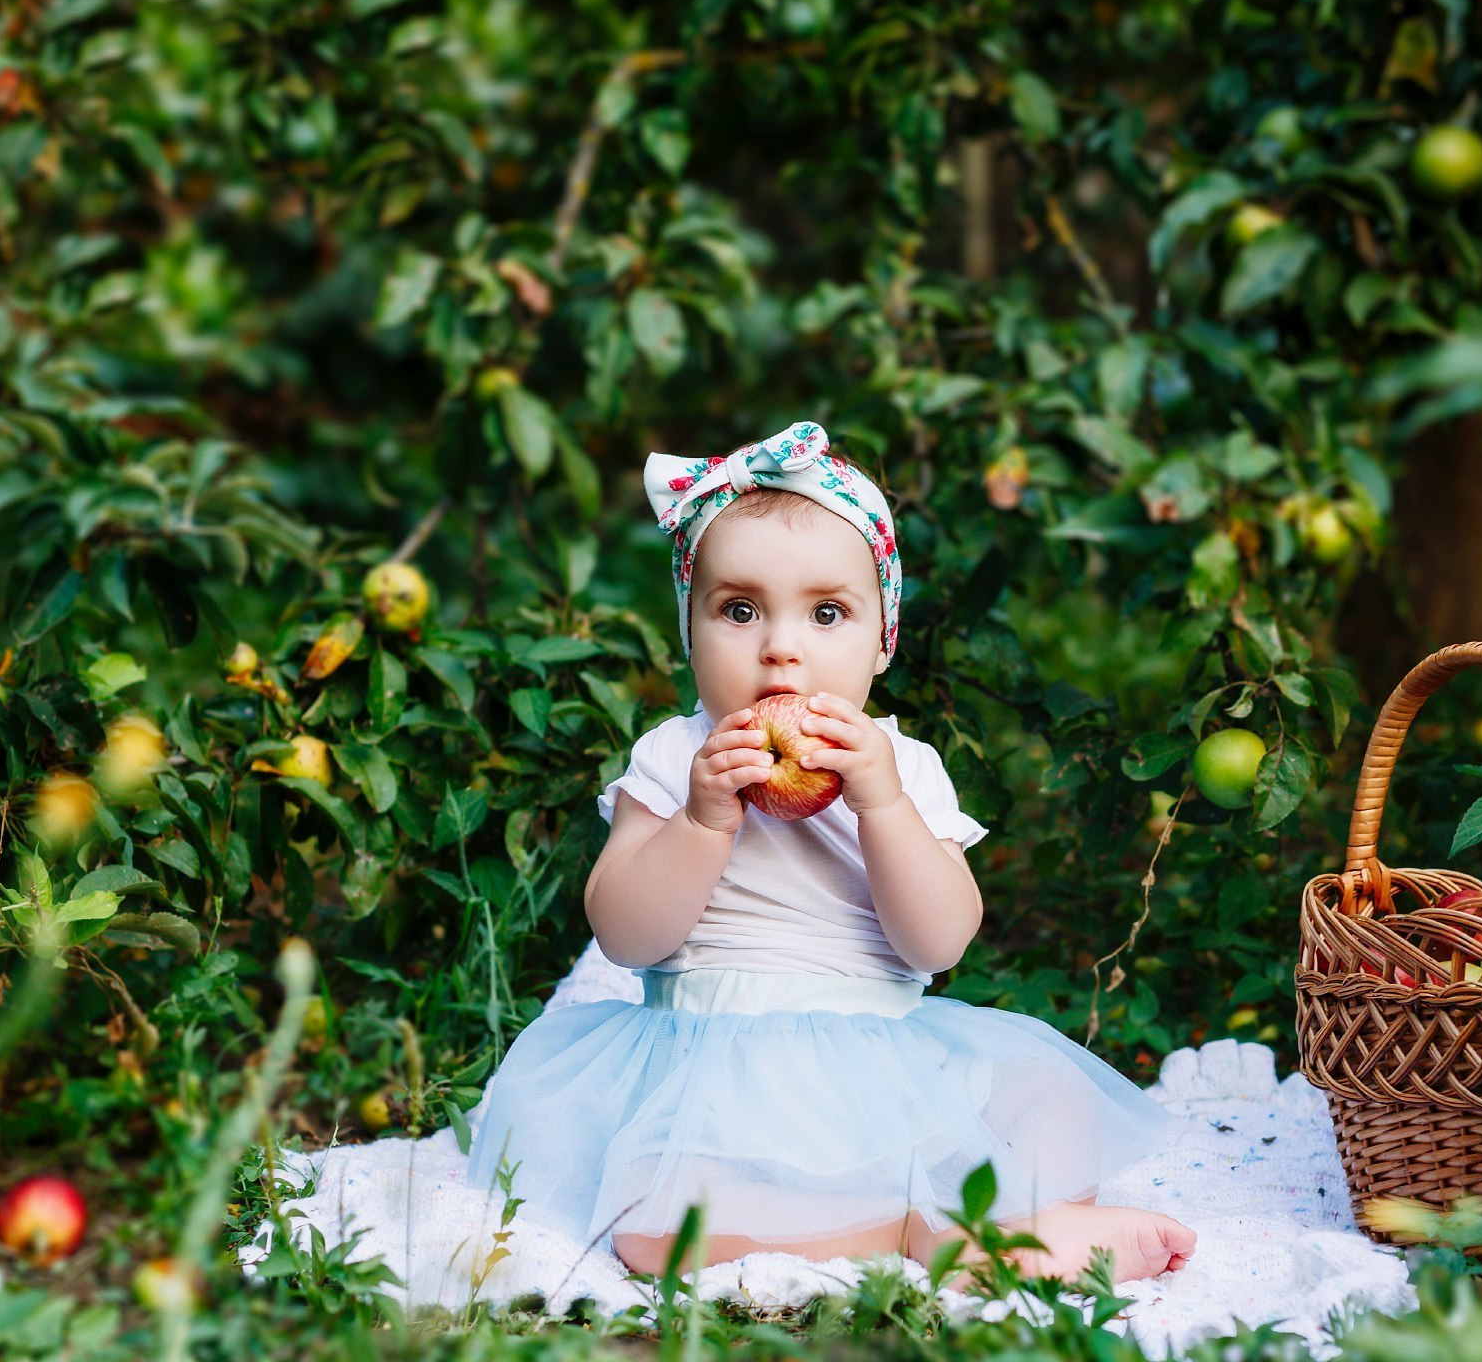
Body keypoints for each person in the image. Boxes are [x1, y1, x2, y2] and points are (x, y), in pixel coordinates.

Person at [468, 421, 1195, 1283]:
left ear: (882, 641)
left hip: (880, 1066)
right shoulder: (673, 759)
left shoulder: (905, 768)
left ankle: (992, 1218)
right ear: (689, 635)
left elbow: (940, 942)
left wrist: (881, 805)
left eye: (826, 613)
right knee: (652, 1228)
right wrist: (702, 821)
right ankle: (935, 1233)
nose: (781, 645)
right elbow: (626, 935)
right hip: (709, 1071)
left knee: (1047, 1099)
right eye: (739, 610)